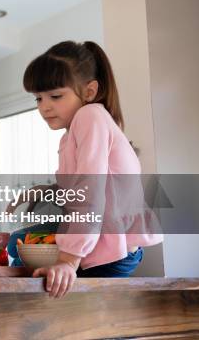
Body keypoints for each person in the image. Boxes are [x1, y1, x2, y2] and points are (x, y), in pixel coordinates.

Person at [17, 40, 163, 298]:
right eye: (38, 98)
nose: (44, 106)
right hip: (109, 246)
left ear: (89, 91)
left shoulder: (89, 117)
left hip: (109, 250)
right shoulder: (76, 130)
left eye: (55, 96)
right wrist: (49, 191)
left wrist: (68, 261)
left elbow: (89, 195)